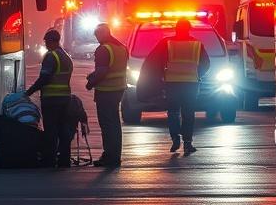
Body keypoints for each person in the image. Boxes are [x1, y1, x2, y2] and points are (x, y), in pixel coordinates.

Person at [141, 18, 210, 154]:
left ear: (176, 29)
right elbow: (206, 63)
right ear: (189, 29)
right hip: (191, 84)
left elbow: (154, 61)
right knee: (188, 113)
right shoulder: (197, 44)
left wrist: (160, 77)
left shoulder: (166, 43)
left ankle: (175, 139)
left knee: (173, 112)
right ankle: (188, 143)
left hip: (172, 84)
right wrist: (197, 74)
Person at [24, 29, 73, 168]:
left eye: (46, 41)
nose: (45, 44)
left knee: (50, 130)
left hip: (51, 99)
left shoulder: (51, 56)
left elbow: (44, 78)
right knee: (64, 129)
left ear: (52, 41)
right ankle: (64, 159)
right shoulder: (66, 56)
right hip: (65, 98)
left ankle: (49, 159)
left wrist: (29, 91)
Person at [85, 23, 128, 167]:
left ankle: (109, 156)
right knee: (115, 124)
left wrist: (90, 82)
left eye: (97, 35)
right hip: (118, 90)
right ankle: (115, 155)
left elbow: (102, 71)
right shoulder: (122, 48)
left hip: (106, 91)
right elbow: (114, 68)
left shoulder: (103, 49)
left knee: (107, 125)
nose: (97, 39)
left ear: (103, 34)